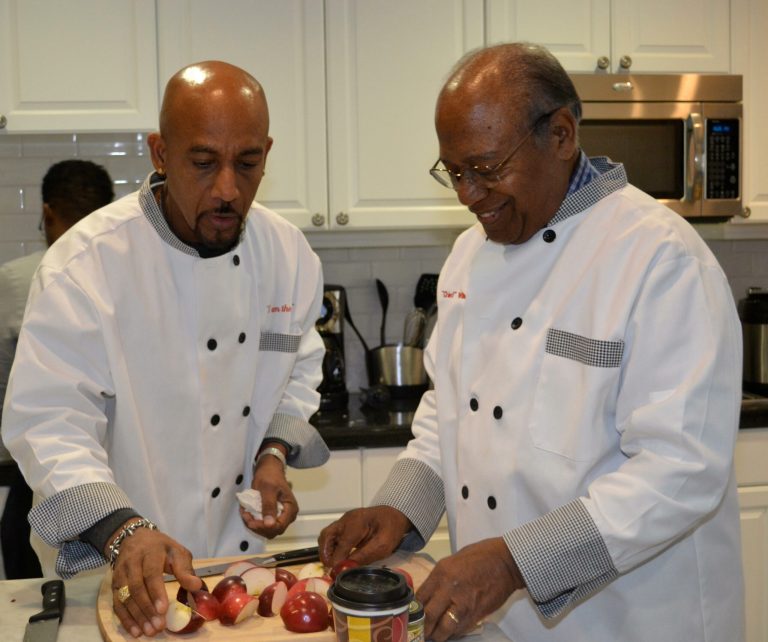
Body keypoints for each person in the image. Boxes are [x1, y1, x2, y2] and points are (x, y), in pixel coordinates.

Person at [319, 43, 744, 642]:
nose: (468, 194)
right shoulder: (469, 256)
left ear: (563, 135)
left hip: (632, 620)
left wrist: (512, 561)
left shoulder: (660, 259)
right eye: (454, 172)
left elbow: (681, 470)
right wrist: (400, 510)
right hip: (498, 623)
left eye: (487, 168)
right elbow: (449, 415)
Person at [2, 61, 329, 638]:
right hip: (119, 571)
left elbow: (298, 366)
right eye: (203, 163)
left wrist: (273, 453)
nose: (228, 189)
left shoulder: (288, 255)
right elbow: (47, 422)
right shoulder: (87, 265)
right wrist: (125, 531)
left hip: (238, 568)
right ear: (159, 152)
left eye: (248, 163)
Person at [0, 159, 114, 579]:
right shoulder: (125, 277)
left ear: (48, 213)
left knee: (40, 602)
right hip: (120, 485)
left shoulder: (14, 280)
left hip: (39, 477)